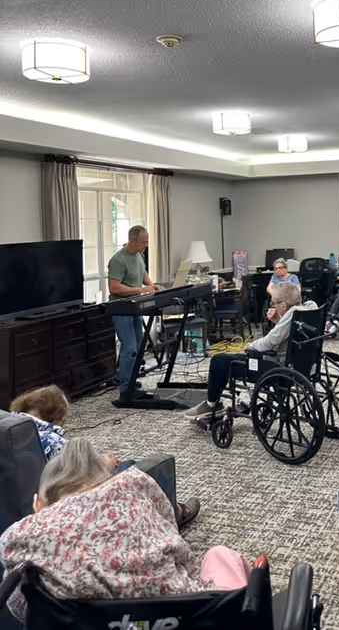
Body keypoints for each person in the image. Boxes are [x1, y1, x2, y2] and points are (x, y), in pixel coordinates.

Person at [0, 439, 250, 623]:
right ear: (103, 477)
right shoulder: (134, 484)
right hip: (185, 617)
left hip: (85, 623)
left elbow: (23, 610)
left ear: (38, 503)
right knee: (221, 555)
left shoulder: (19, 538)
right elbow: (182, 555)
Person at [10, 384, 200, 529]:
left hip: (23, 502)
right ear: (56, 417)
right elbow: (77, 480)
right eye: (64, 419)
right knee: (133, 471)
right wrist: (105, 465)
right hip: (68, 505)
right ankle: (174, 512)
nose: (65, 423)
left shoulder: (13, 427)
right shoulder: (54, 442)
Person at [184, 281, 318, 420]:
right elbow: (289, 332)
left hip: (275, 366)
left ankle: (211, 404)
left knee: (219, 360)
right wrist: (279, 320)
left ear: (283, 305)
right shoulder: (310, 308)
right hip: (302, 365)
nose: (273, 307)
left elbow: (270, 342)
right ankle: (213, 403)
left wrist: (250, 346)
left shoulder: (292, 314)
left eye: (274, 304)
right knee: (231, 357)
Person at [108, 225, 163, 404]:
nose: (146, 245)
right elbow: (114, 287)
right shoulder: (118, 260)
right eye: (143, 242)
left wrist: (152, 285)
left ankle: (125, 377)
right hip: (121, 308)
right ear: (132, 241)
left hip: (134, 307)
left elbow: (143, 272)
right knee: (129, 347)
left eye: (147, 242)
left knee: (139, 345)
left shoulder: (138, 255)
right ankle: (125, 389)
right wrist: (140, 290)